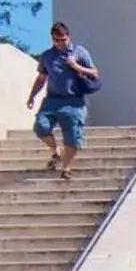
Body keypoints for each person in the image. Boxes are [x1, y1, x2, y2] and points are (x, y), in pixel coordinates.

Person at [27, 21, 99, 183]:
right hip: (52, 100)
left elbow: (95, 73)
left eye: (63, 40)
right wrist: (32, 96)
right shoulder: (46, 56)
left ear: (69, 37)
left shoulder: (80, 52)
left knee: (72, 136)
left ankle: (66, 168)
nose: (60, 43)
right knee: (41, 127)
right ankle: (55, 150)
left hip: (73, 101)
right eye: (56, 40)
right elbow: (41, 78)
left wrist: (76, 66)